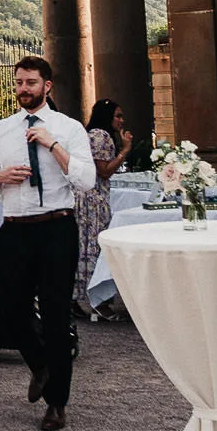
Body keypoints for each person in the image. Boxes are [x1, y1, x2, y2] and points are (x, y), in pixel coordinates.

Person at [0, 55, 95, 431]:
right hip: (15, 228)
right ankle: (41, 365)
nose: (23, 89)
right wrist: (0, 178)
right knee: (10, 308)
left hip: (57, 228)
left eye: (30, 83)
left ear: (47, 86)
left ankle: (57, 403)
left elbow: (87, 180)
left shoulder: (69, 127)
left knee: (57, 316)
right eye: (18, 82)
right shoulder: (0, 130)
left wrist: (53, 144)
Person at [75, 98, 130, 316]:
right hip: (92, 201)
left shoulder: (93, 135)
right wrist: (125, 150)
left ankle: (78, 300)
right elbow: (104, 170)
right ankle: (100, 302)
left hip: (90, 198)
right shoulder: (101, 136)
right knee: (94, 250)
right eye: (118, 116)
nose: (121, 121)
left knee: (84, 249)